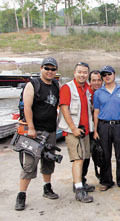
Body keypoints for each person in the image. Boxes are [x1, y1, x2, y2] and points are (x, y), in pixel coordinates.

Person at [15, 57, 60, 211]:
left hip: (51, 130)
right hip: (35, 131)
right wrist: (31, 127)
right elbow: (27, 107)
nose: (49, 71)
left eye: (52, 69)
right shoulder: (32, 84)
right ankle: (21, 194)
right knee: (29, 164)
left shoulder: (55, 85)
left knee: (48, 161)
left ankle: (47, 187)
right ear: (41, 68)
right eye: (47, 68)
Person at [58, 62, 95, 203]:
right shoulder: (67, 88)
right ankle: (79, 190)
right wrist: (73, 128)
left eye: (85, 72)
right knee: (78, 159)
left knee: (85, 157)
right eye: (79, 72)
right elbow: (64, 109)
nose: (82, 75)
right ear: (74, 73)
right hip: (73, 131)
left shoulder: (87, 88)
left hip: (85, 130)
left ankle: (80, 183)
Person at [93, 65, 120, 191]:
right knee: (105, 154)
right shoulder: (98, 93)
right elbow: (96, 112)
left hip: (119, 125)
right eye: (104, 75)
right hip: (103, 126)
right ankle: (106, 181)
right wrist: (95, 129)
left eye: (109, 74)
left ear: (114, 74)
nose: (107, 77)